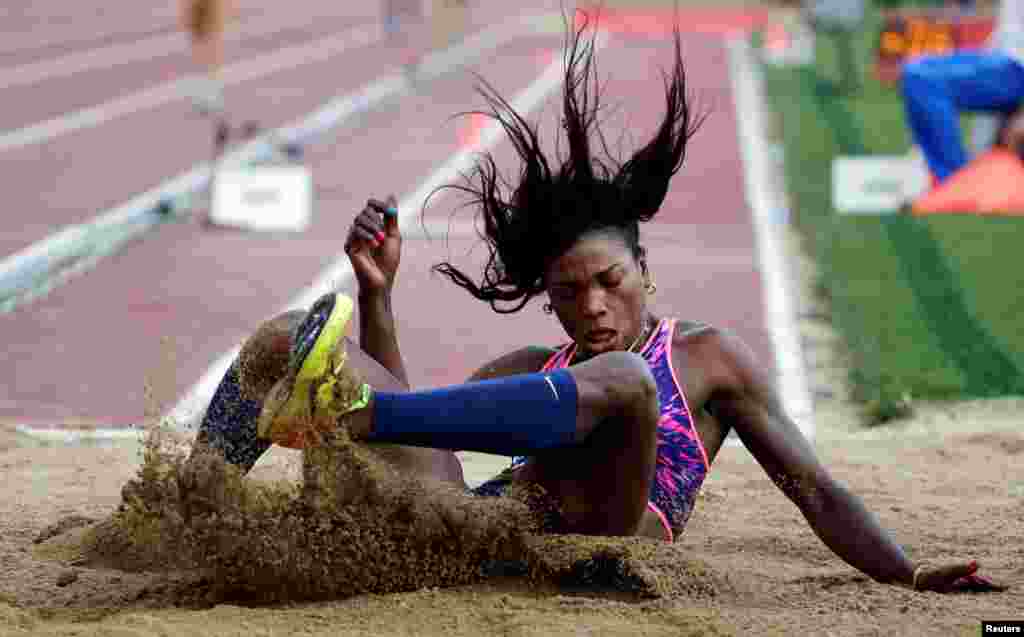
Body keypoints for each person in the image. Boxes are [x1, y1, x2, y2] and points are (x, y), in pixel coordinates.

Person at [187, 13, 1002, 594]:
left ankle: (357, 412)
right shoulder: (531, 373)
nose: (593, 304)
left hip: (608, 537)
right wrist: (379, 295)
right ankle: (188, 507)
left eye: (610, 280)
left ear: (644, 269)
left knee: (627, 380)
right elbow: (422, 436)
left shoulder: (706, 358)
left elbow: (816, 490)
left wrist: (904, 571)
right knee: (287, 333)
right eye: (568, 293)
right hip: (489, 538)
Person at [901, 0, 1024, 183]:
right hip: (1000, 59)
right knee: (916, 73)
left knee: (922, 77)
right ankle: (945, 174)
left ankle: (955, 181)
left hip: (1014, 68)